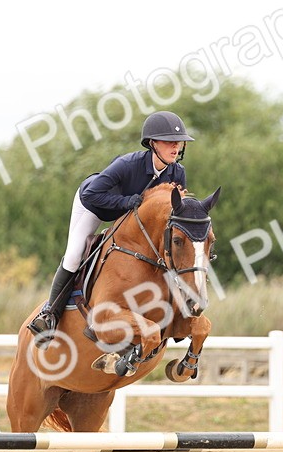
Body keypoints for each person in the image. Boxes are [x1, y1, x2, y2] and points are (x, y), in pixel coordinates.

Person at [27, 110, 195, 339]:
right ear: (153, 143)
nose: (175, 147)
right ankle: (49, 314)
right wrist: (126, 202)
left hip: (128, 216)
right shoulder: (127, 164)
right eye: (169, 142)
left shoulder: (177, 173)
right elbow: (92, 194)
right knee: (74, 254)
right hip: (94, 205)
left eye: (179, 143)